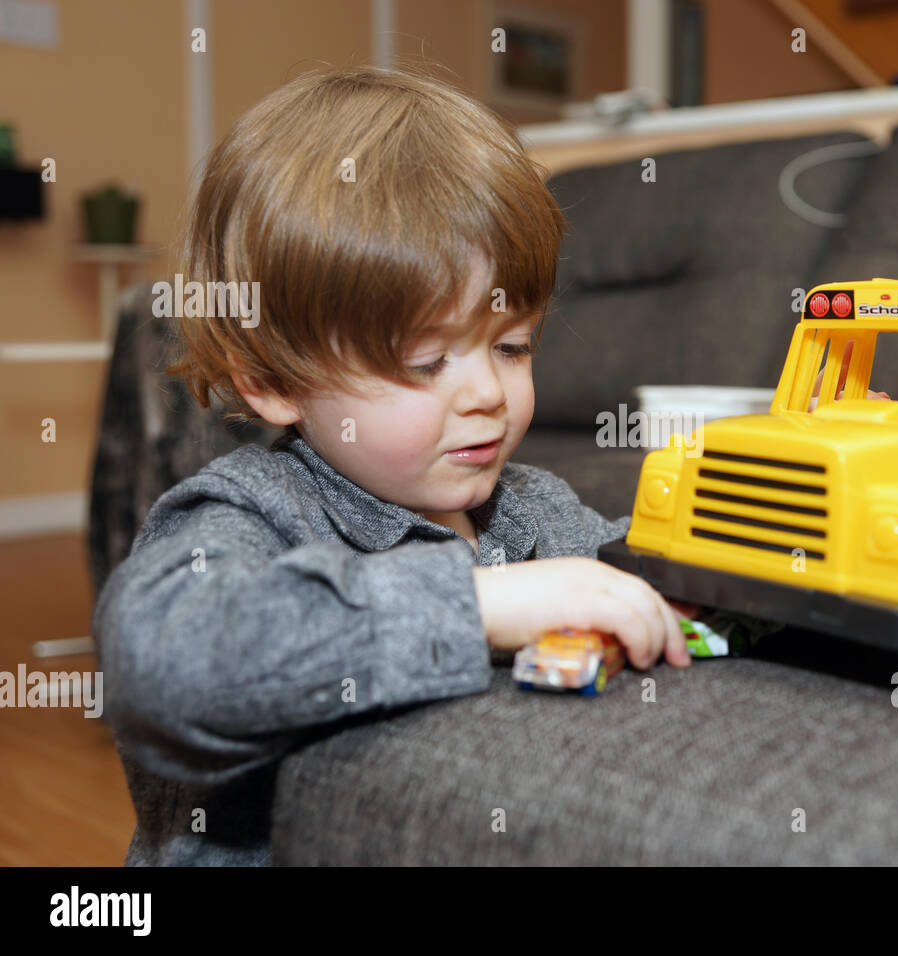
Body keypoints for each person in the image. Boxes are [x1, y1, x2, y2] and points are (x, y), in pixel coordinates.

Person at [93, 66, 694, 866]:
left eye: (512, 346)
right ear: (271, 381)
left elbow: (650, 578)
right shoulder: (249, 515)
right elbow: (161, 671)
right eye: (423, 362)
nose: (488, 391)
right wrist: (476, 606)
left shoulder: (534, 509)